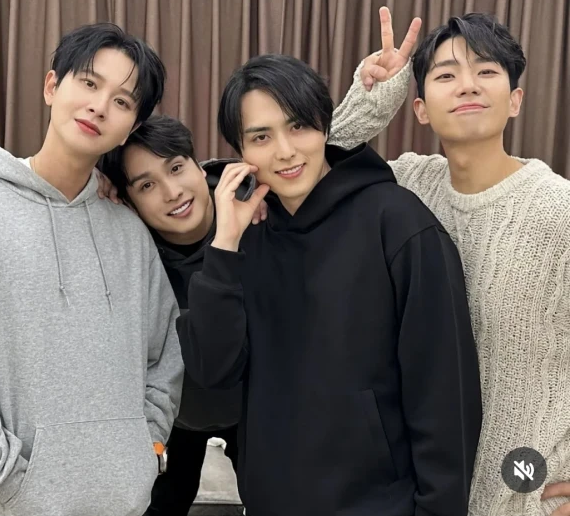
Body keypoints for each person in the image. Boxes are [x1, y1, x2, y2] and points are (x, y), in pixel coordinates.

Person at [96, 16, 415, 515]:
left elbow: (305, 150)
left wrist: (371, 95)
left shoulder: (258, 199)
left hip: (255, 408)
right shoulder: (131, 251)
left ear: (199, 165)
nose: (172, 192)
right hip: (179, 413)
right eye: (146, 185)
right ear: (129, 200)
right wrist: (95, 190)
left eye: (176, 168)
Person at [176, 49, 483, 515]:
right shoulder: (244, 237)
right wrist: (223, 247)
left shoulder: (399, 224)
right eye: (261, 136)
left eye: (298, 126)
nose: (285, 151)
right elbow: (212, 376)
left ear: (324, 125)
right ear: (241, 151)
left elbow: (443, 399)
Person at [332, 11, 570, 516]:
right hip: (424, 492)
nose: (467, 85)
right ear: (419, 108)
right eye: (445, 74)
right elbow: (313, 171)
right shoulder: (407, 186)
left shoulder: (558, 211)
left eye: (486, 71)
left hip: (523, 497)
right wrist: (374, 98)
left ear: (515, 99)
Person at [0, 23, 184, 516]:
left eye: (122, 101)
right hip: (8, 504)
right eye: (89, 83)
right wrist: (0, 477)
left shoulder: (128, 230)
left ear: (129, 127)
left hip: (123, 502)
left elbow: (165, 354)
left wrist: (146, 451)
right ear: (52, 86)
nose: (99, 106)